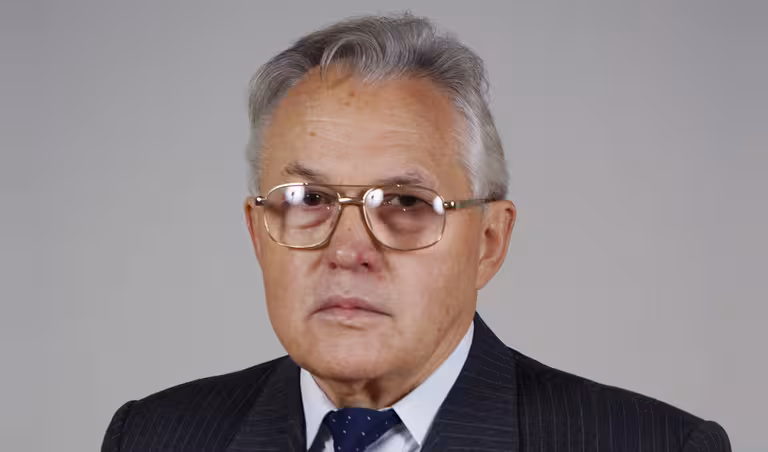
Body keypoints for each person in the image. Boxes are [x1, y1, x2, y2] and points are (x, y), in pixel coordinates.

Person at [101, 14, 731, 452]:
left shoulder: (656, 445)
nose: (348, 250)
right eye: (309, 199)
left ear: (489, 242)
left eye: (406, 202)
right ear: (258, 233)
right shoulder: (152, 437)